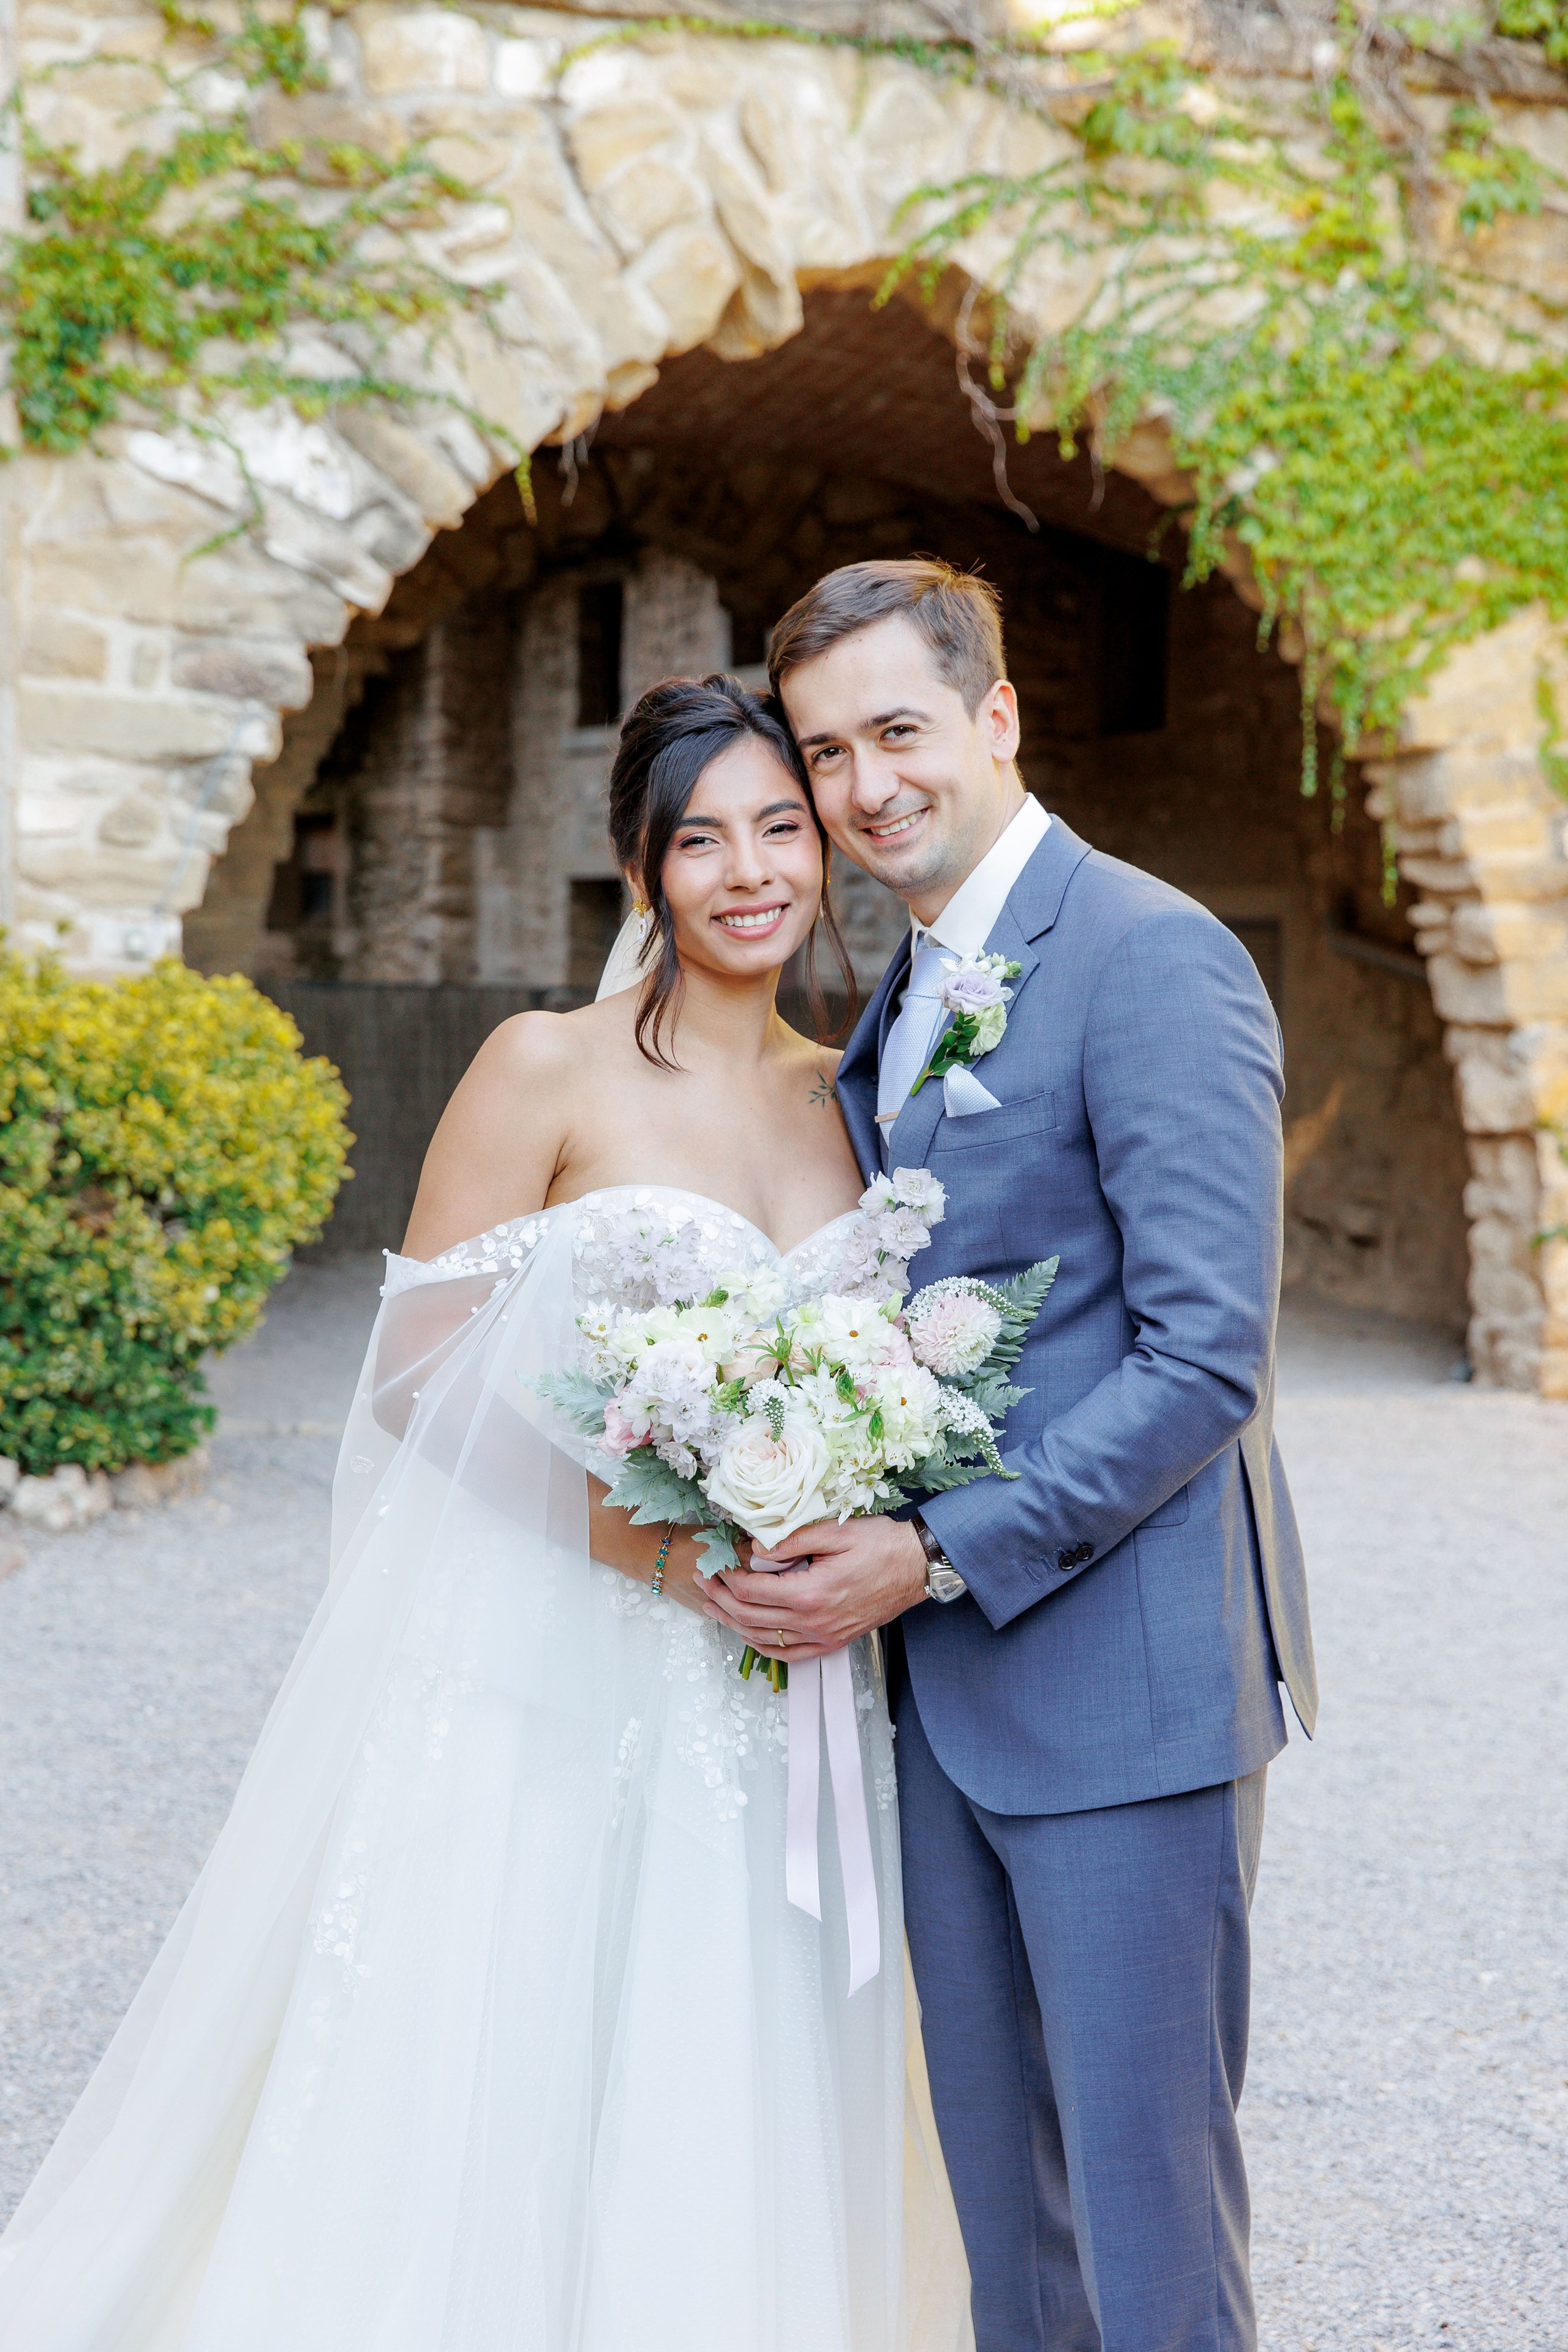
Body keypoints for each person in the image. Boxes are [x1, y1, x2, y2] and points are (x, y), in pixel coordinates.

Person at [0, 675, 972, 2351]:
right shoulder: (545, 1065)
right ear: (644, 869)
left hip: (784, 1680)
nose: (749, 870)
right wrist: (664, 1547)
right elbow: (412, 1368)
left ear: (827, 849)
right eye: (700, 839)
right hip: (564, 1644)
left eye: (780, 829)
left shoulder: (862, 1093)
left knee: (727, 2041)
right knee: (506, 2038)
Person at [705, 559, 1319, 2352]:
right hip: (938, 1702)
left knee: (1144, 2224)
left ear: (996, 719)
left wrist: (941, 1548)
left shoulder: (1152, 954)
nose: (862, 785)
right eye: (825, 752)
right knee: (1010, 2230)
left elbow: (1209, 1355)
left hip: (1124, 1689)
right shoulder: (900, 988)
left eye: (897, 730)